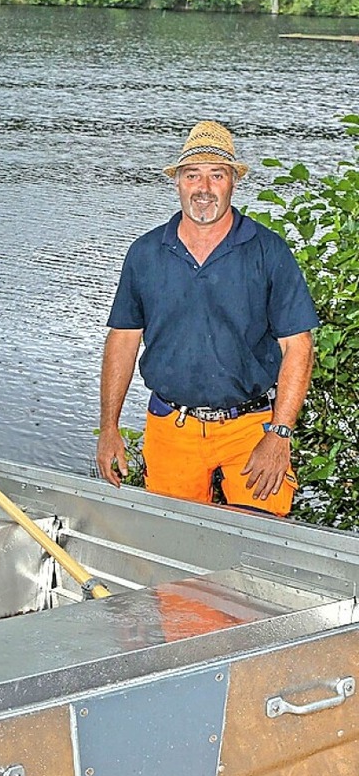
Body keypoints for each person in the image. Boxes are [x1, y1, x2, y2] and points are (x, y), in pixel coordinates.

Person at [96, 120, 319, 517]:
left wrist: (279, 434)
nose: (203, 188)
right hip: (171, 425)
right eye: (192, 175)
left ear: (233, 181)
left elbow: (297, 346)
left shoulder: (267, 251)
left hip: (251, 428)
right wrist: (109, 428)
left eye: (216, 175)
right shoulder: (145, 253)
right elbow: (123, 339)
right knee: (172, 550)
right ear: (178, 182)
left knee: (258, 546)